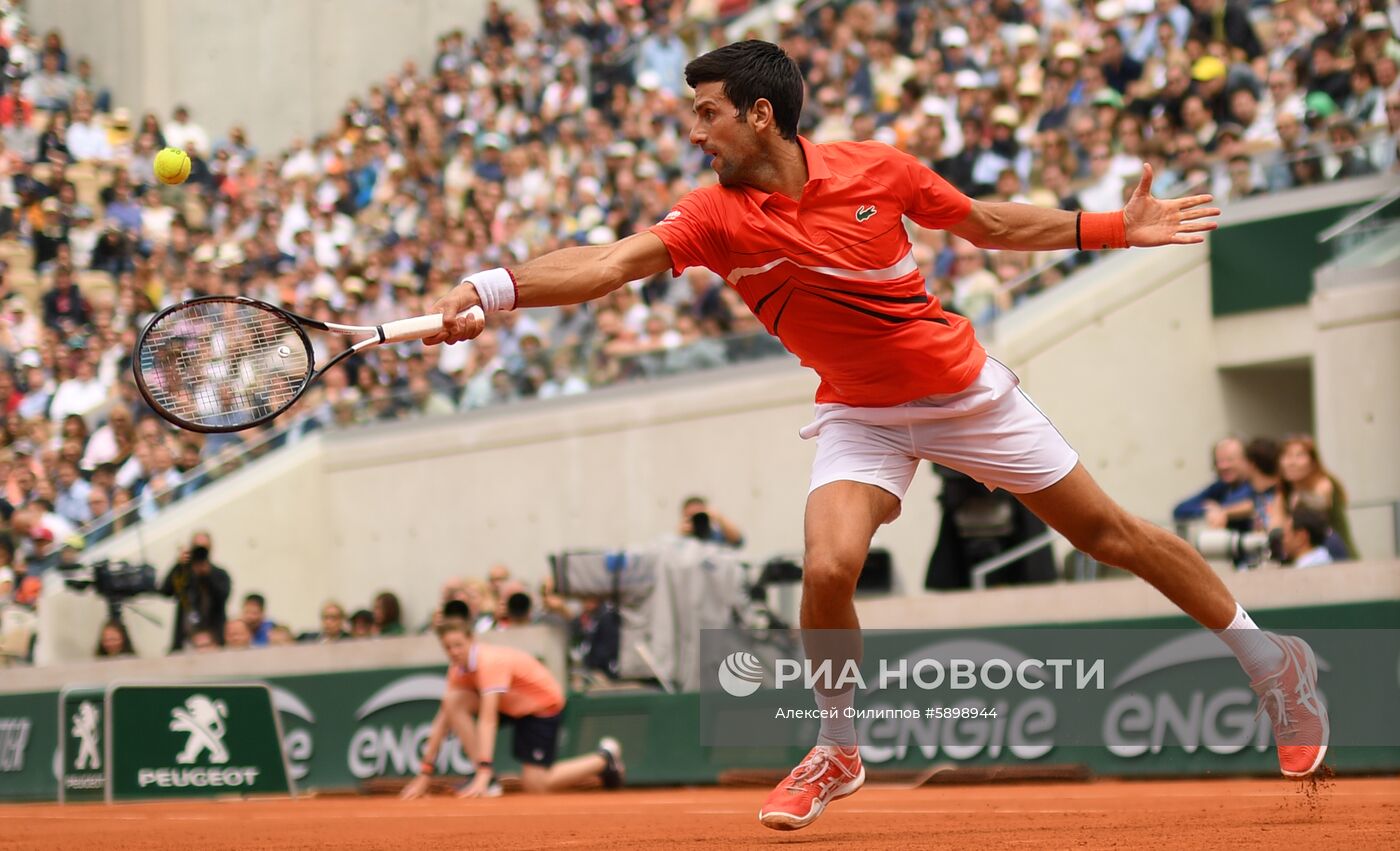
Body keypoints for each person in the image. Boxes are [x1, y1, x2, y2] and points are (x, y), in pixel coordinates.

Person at [426, 40, 1327, 831]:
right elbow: (605, 264)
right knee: (827, 567)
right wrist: (491, 289)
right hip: (859, 409)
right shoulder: (711, 215)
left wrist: (1113, 229)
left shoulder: (877, 170)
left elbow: (987, 223)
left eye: (707, 115)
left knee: (1110, 535)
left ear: (761, 113)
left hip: (962, 391)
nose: (695, 134)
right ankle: (838, 747)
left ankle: (1272, 662)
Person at [399, 618, 623, 799]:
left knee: (536, 785)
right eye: (448, 647)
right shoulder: (457, 670)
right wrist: (425, 773)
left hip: (541, 706)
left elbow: (488, 719)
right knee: (454, 701)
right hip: (511, 704)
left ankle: (604, 760)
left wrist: (483, 771)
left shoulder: (490, 662)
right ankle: (489, 780)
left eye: (458, 645)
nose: (454, 651)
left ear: (471, 640)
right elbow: (442, 719)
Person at [1272, 435, 1356, 559]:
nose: (1291, 462)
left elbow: (1311, 518)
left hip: (1333, 555)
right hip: (1302, 558)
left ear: (1313, 462)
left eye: (1299, 456)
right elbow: (1276, 526)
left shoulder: (1324, 484)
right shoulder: (1284, 493)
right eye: (1287, 456)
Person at [159, 531, 231, 652]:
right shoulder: (183, 573)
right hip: (185, 641)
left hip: (214, 641)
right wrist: (179, 565)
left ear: (210, 548)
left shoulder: (219, 574)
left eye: (204, 547)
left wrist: (208, 576)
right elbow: (165, 591)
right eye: (197, 547)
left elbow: (223, 596)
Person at [1172, 437, 1253, 531]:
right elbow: (1180, 510)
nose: (1223, 466)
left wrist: (1221, 510)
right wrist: (1207, 510)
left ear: (1246, 461)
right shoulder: (1221, 487)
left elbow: (1252, 505)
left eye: (1230, 460)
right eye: (1219, 461)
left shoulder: (1256, 485)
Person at [678, 495, 744, 547]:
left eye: (699, 515)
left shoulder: (716, 534)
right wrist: (681, 537)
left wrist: (719, 518)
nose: (696, 520)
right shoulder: (682, 539)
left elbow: (737, 541)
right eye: (691, 516)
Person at [1281, 504, 1333, 569]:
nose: (1283, 541)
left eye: (1285, 535)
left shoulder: (1309, 568)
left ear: (1301, 537)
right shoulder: (1324, 558)